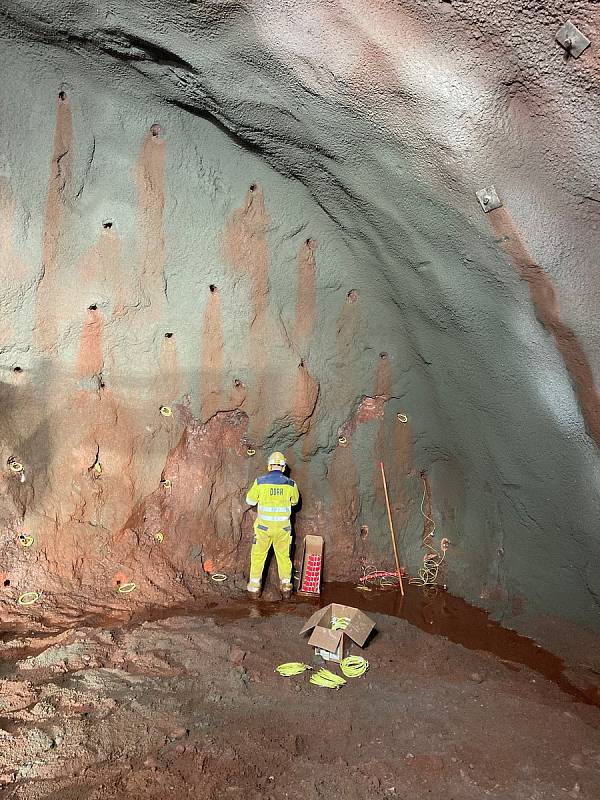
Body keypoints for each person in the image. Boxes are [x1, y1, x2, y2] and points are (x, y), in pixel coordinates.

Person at [245, 451, 299, 599]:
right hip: (283, 529)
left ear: (269, 466)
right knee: (283, 557)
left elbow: (250, 501)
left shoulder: (260, 482)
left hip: (264, 528)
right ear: (283, 467)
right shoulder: (291, 484)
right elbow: (295, 502)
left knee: (258, 556)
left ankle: (255, 588)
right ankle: (286, 586)